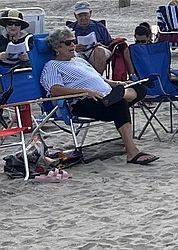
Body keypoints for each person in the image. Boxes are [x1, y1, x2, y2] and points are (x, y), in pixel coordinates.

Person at [39, 26, 158, 165]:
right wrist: (85, 91)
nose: (73, 45)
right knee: (120, 104)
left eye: (73, 41)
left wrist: (118, 82)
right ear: (56, 48)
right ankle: (132, 152)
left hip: (104, 95)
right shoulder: (52, 66)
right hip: (82, 101)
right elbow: (55, 90)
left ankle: (118, 94)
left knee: (140, 87)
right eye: (68, 43)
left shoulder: (79, 60)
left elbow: (99, 79)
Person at [69, 1, 114, 74]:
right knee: (69, 53)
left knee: (99, 50)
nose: (83, 18)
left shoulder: (99, 27)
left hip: (96, 52)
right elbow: (62, 46)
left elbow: (110, 45)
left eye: (85, 14)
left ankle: (98, 80)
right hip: (78, 53)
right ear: (75, 15)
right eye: (80, 15)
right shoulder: (70, 29)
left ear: (90, 13)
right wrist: (73, 47)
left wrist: (101, 46)